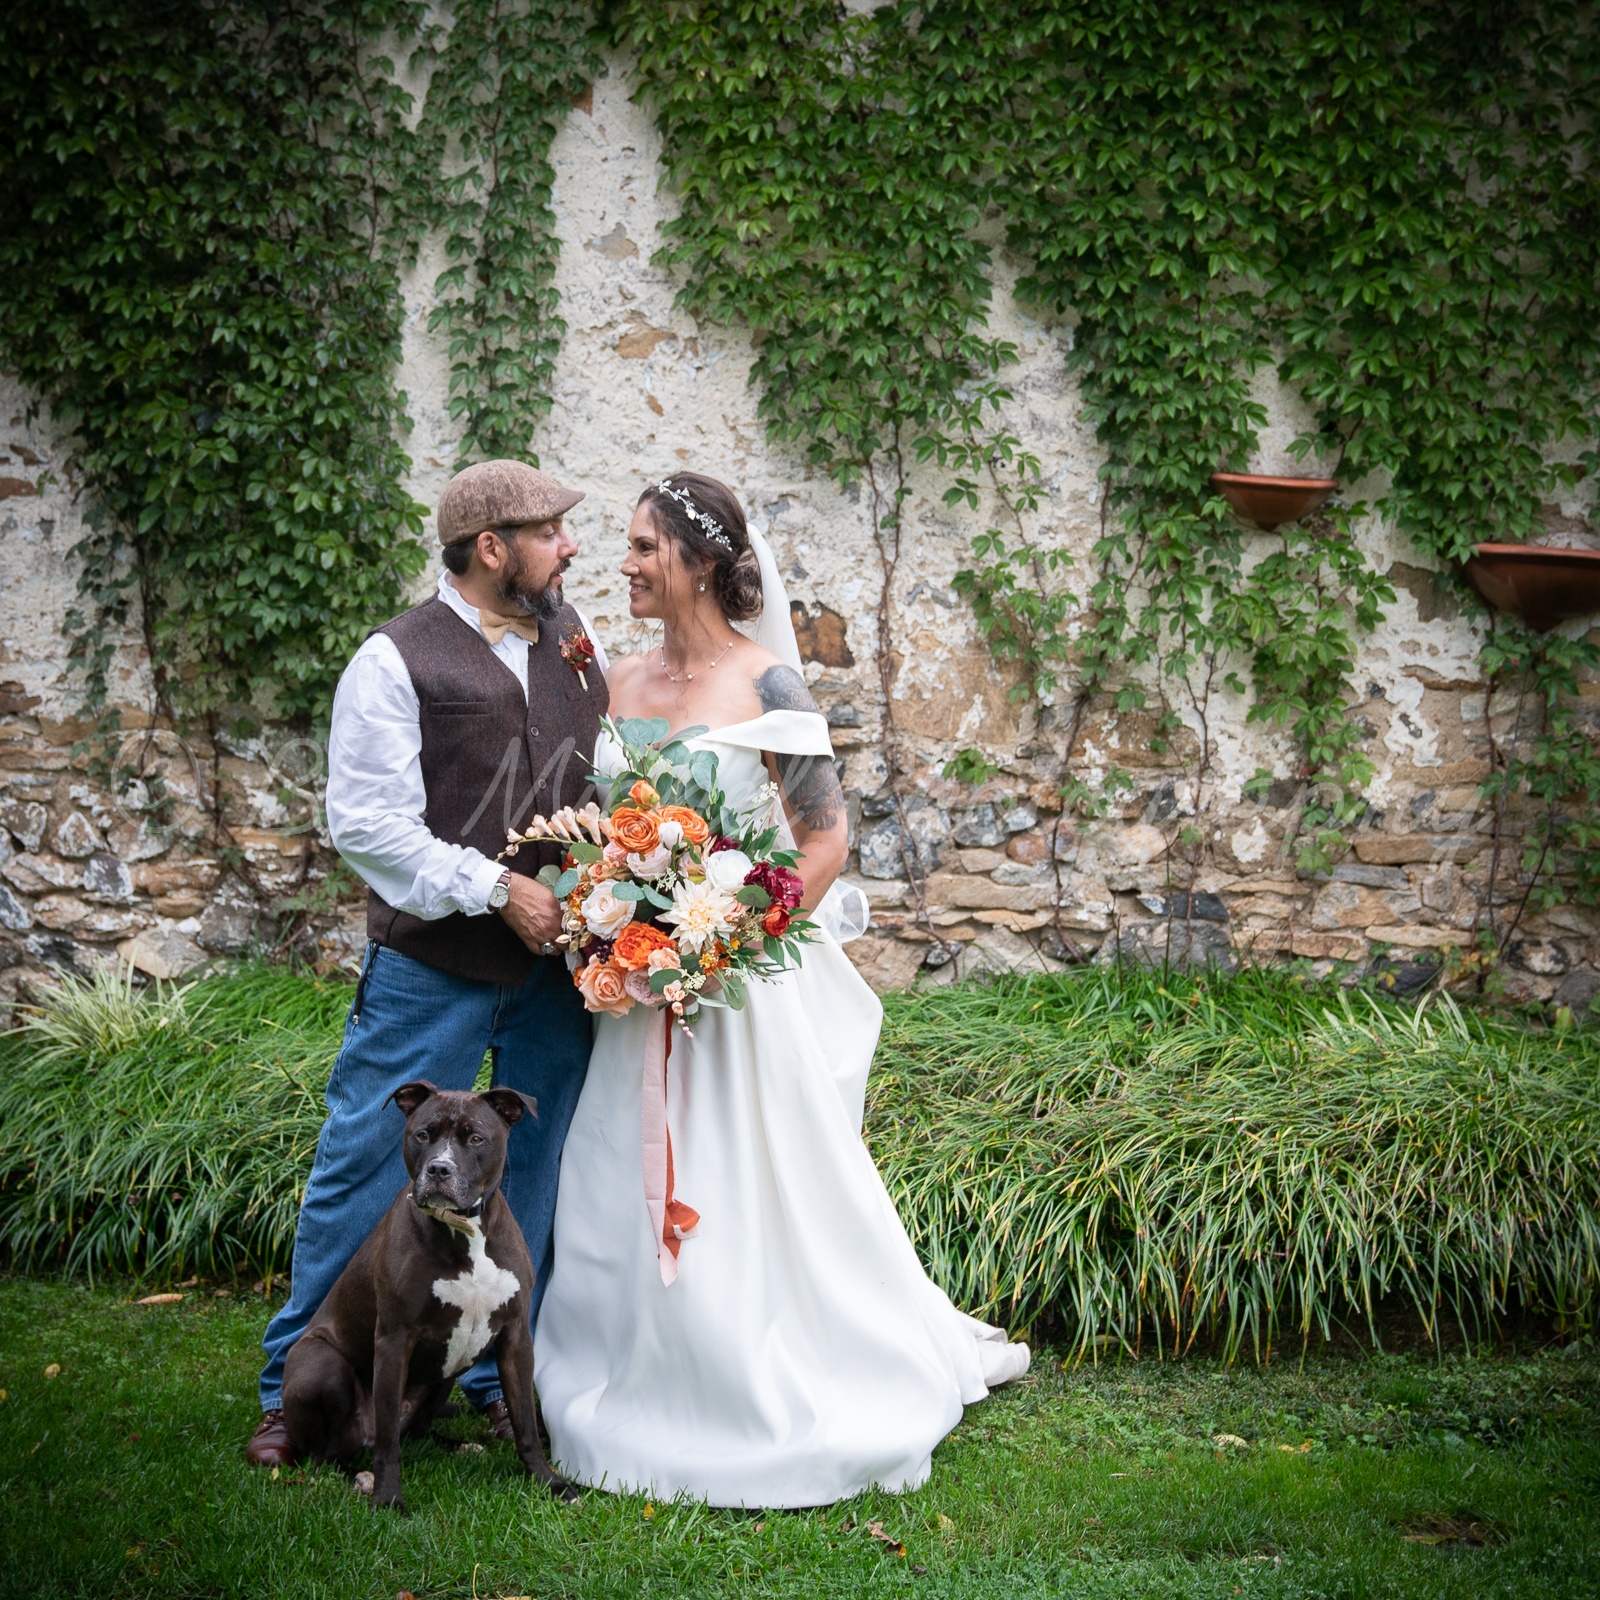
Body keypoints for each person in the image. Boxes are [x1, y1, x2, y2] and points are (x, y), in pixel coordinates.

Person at [533, 472, 1029, 1508]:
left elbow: (823, 840)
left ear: (700, 562)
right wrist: (615, 919)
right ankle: (619, 1366)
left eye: (643, 547)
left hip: (732, 990)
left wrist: (725, 940)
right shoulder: (616, 683)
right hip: (635, 988)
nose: (624, 565)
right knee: (616, 1167)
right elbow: (597, 827)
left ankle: (752, 1372)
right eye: (626, 546)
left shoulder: (771, 688)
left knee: (743, 1176)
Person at [247, 460, 610, 1468]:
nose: (570, 547)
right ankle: (292, 1388)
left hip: (556, 977)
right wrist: (498, 890)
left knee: (529, 1164)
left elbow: (605, 779)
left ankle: (495, 1383)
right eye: (550, 531)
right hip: (430, 967)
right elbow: (367, 825)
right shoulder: (393, 659)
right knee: (365, 1164)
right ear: (492, 548)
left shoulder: (575, 643)